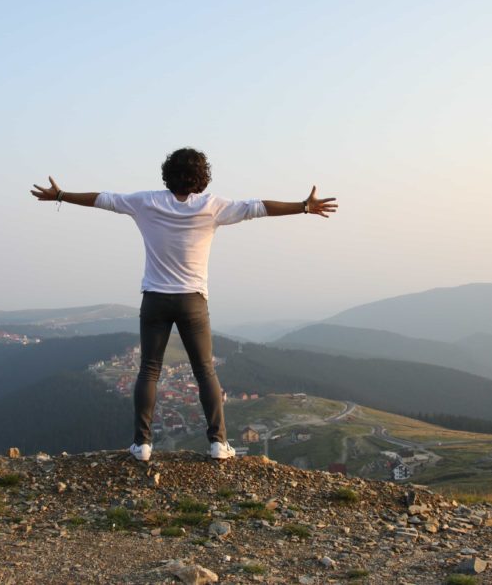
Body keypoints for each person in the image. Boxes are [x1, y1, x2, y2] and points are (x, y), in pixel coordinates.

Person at [30, 147, 337, 462]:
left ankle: (142, 445)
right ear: (202, 177)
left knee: (149, 370)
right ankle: (218, 444)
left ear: (167, 173)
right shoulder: (212, 206)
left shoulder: (145, 202)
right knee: (205, 371)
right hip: (193, 301)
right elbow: (257, 208)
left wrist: (61, 195)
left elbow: (102, 199)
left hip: (154, 300)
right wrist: (303, 206)